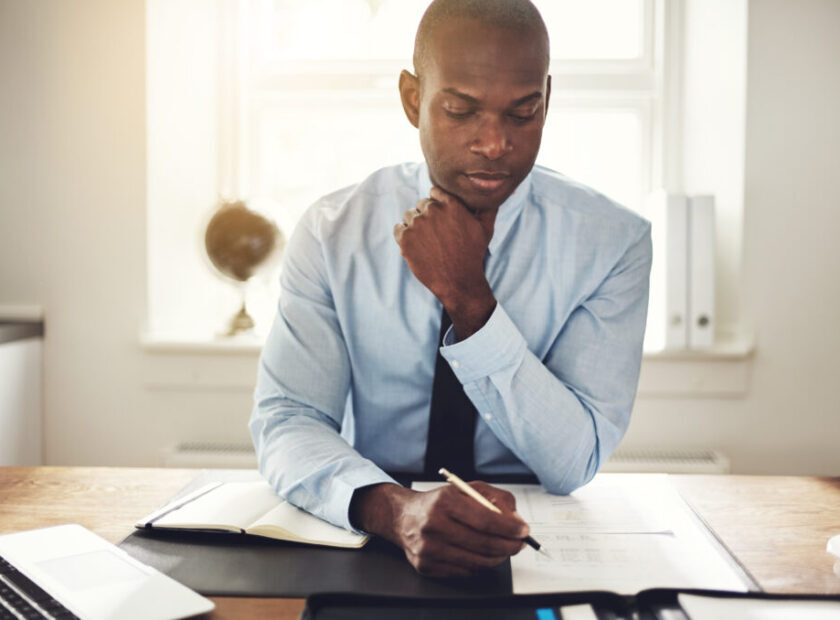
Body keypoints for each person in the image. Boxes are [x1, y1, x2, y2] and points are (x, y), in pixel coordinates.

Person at [250, 0, 651, 578]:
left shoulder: (613, 242)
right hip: (373, 524)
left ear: (547, 100)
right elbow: (288, 420)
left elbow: (573, 462)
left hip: (534, 545)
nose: (494, 144)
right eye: (461, 110)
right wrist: (395, 509)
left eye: (523, 114)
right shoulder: (333, 231)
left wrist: (470, 300)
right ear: (413, 99)